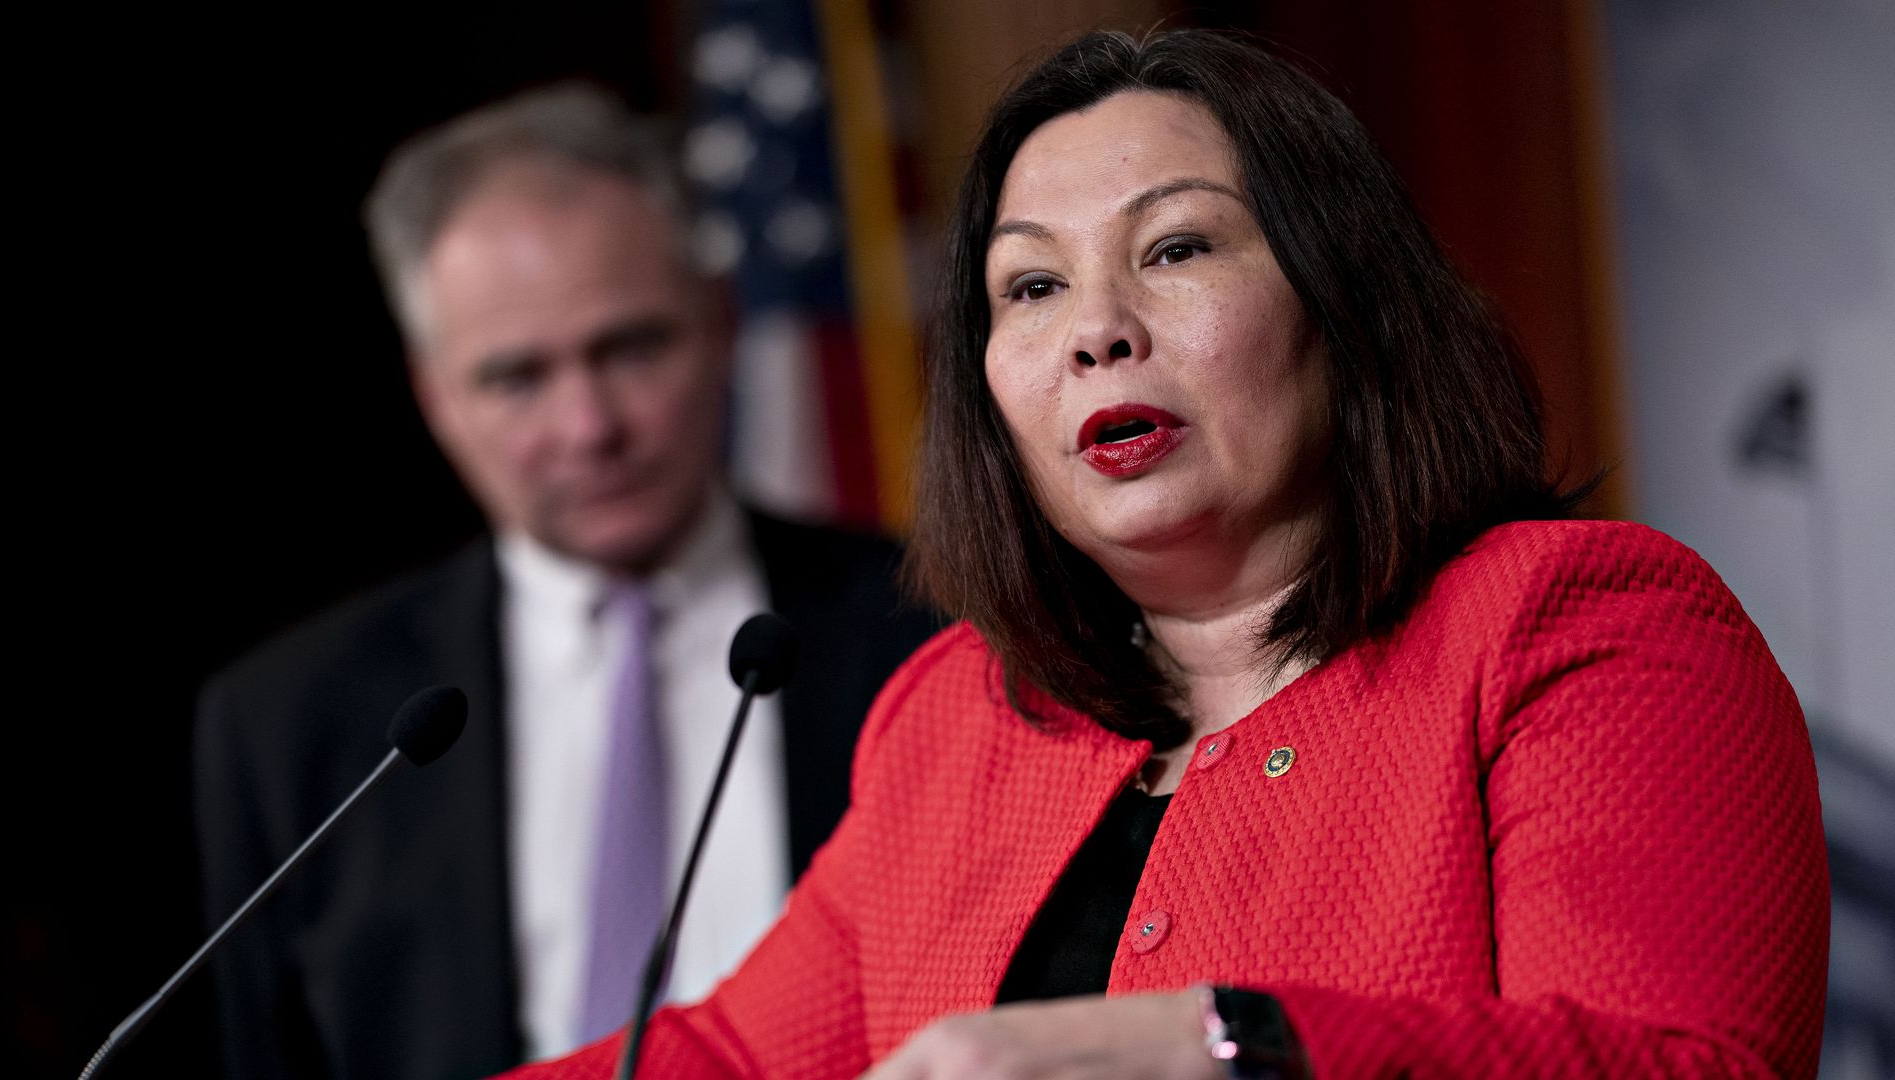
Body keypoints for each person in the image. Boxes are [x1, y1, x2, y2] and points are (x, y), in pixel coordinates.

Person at [499, 29, 1829, 1080]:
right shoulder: (966, 717)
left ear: (1344, 304)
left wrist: (1223, 1048)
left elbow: (1682, 1063)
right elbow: (736, 1059)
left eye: (1177, 248)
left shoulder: (1582, 629)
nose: (1097, 330)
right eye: (1031, 287)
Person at [192, 86, 937, 1080]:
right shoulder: (295, 725)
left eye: (631, 348)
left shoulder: (933, 631)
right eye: (516, 378)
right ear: (435, 395)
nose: (588, 427)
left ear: (720, 324)